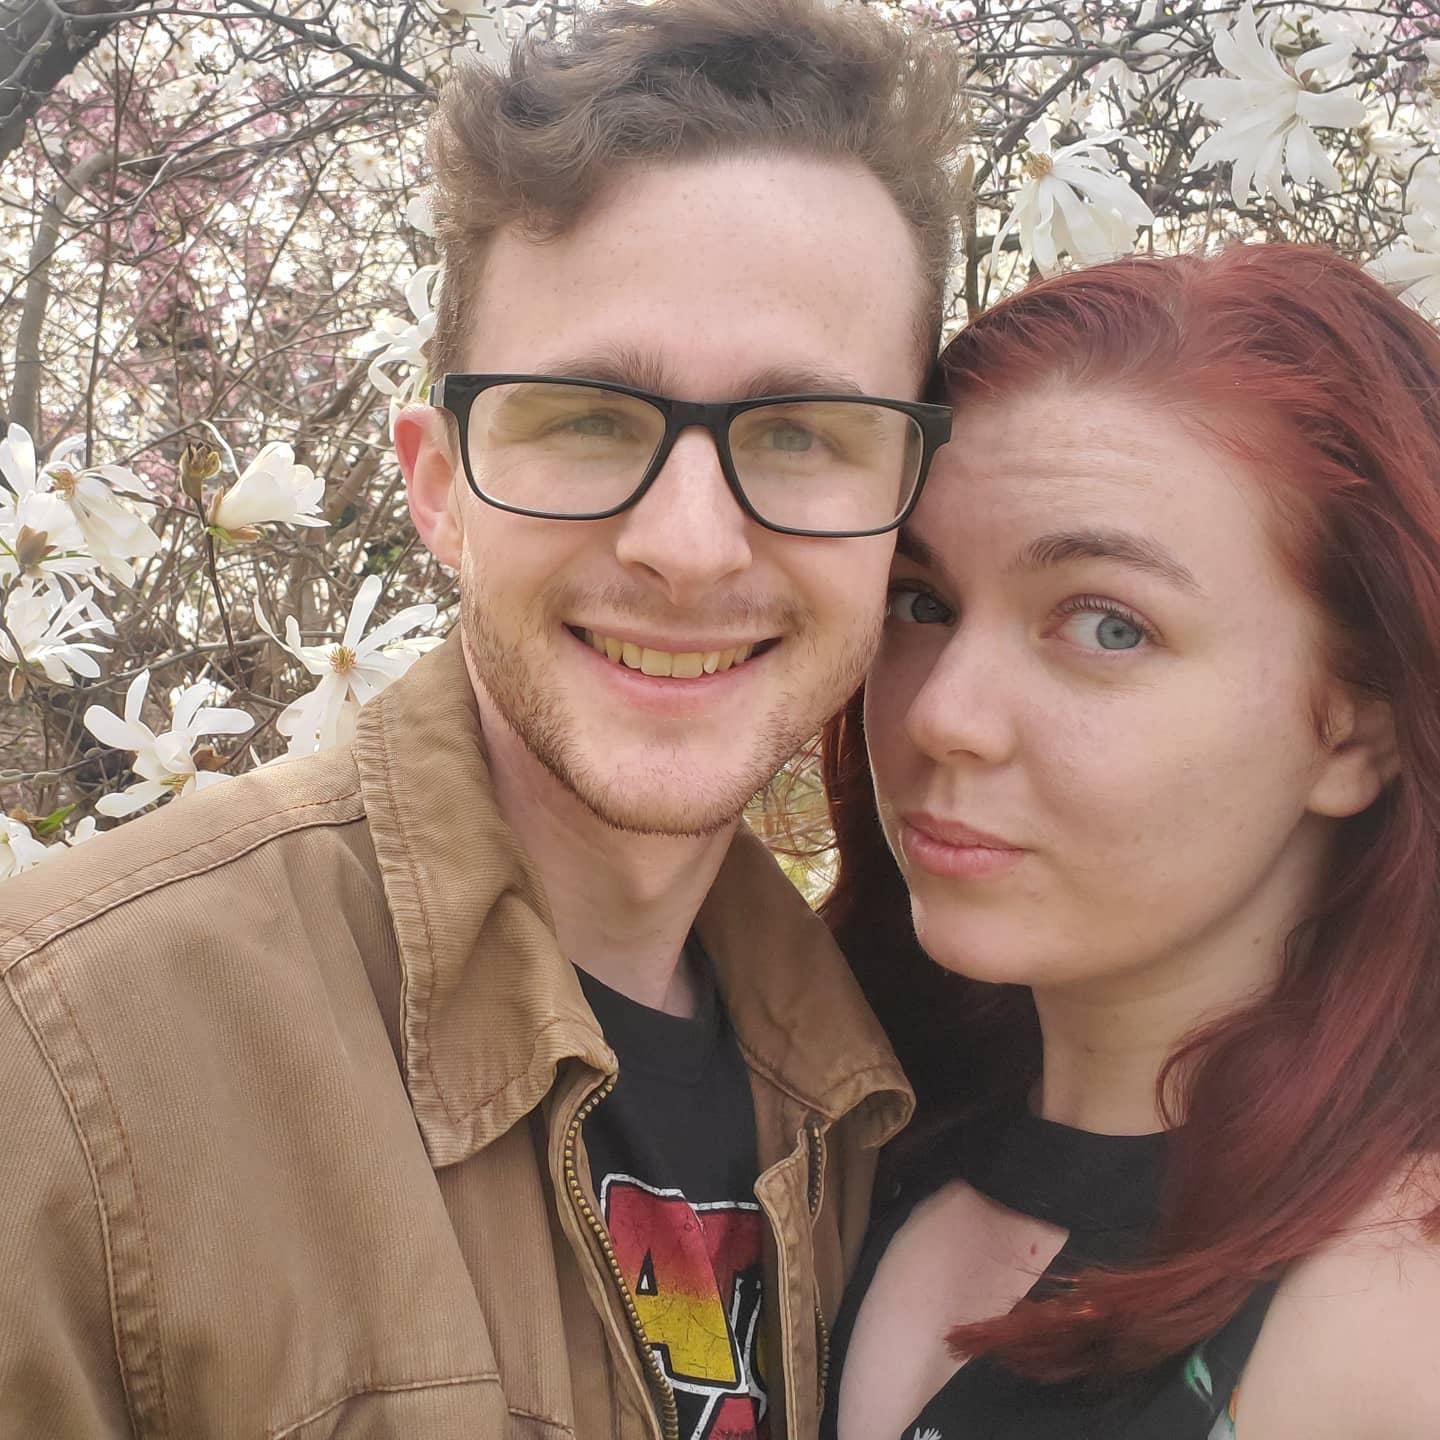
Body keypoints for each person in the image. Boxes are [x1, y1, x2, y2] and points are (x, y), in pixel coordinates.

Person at [0, 4, 968, 1436]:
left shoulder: (874, 1086)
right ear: (437, 487)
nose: (690, 547)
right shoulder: (65, 1068)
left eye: (802, 432)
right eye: (587, 418)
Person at [820, 244, 1440, 1440]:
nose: (944, 712)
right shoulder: (833, 1149)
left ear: (1355, 724)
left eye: (1108, 625)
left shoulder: (1385, 1331)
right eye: (922, 603)